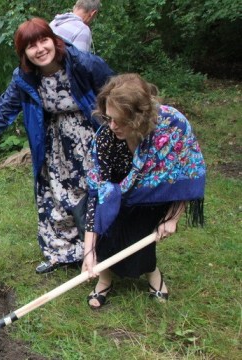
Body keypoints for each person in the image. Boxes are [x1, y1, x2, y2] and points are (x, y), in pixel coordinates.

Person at [0, 18, 114, 274]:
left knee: (93, 194)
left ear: (54, 41)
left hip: (91, 138)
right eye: (31, 46)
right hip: (52, 143)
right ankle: (62, 254)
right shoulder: (24, 79)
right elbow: (0, 114)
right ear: (24, 53)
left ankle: (102, 253)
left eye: (44, 40)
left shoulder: (84, 64)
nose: (40, 49)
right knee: (54, 194)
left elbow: (119, 94)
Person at [82, 73, 206, 309]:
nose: (112, 126)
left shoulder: (172, 126)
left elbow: (186, 173)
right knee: (107, 226)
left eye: (121, 120)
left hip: (155, 194)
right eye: (109, 118)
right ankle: (104, 278)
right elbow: (97, 192)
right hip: (116, 192)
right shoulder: (106, 137)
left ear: (141, 117)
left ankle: (152, 274)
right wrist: (88, 251)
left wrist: (173, 218)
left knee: (139, 232)